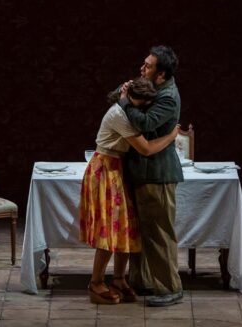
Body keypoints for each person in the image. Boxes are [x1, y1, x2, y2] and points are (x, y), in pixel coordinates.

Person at [80, 77, 180, 305]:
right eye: (141, 105)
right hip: (106, 169)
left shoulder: (128, 109)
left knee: (126, 227)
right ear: (132, 99)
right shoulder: (119, 114)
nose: (142, 110)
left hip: (118, 168)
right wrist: (171, 136)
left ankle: (118, 279)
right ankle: (96, 283)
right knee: (109, 229)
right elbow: (146, 149)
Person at [118, 45, 183, 307]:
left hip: (157, 173)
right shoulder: (154, 88)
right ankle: (143, 281)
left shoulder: (168, 97)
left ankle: (170, 287)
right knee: (142, 233)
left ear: (161, 74)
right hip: (143, 172)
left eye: (148, 66)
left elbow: (144, 123)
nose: (142, 68)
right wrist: (125, 94)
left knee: (159, 234)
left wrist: (125, 102)